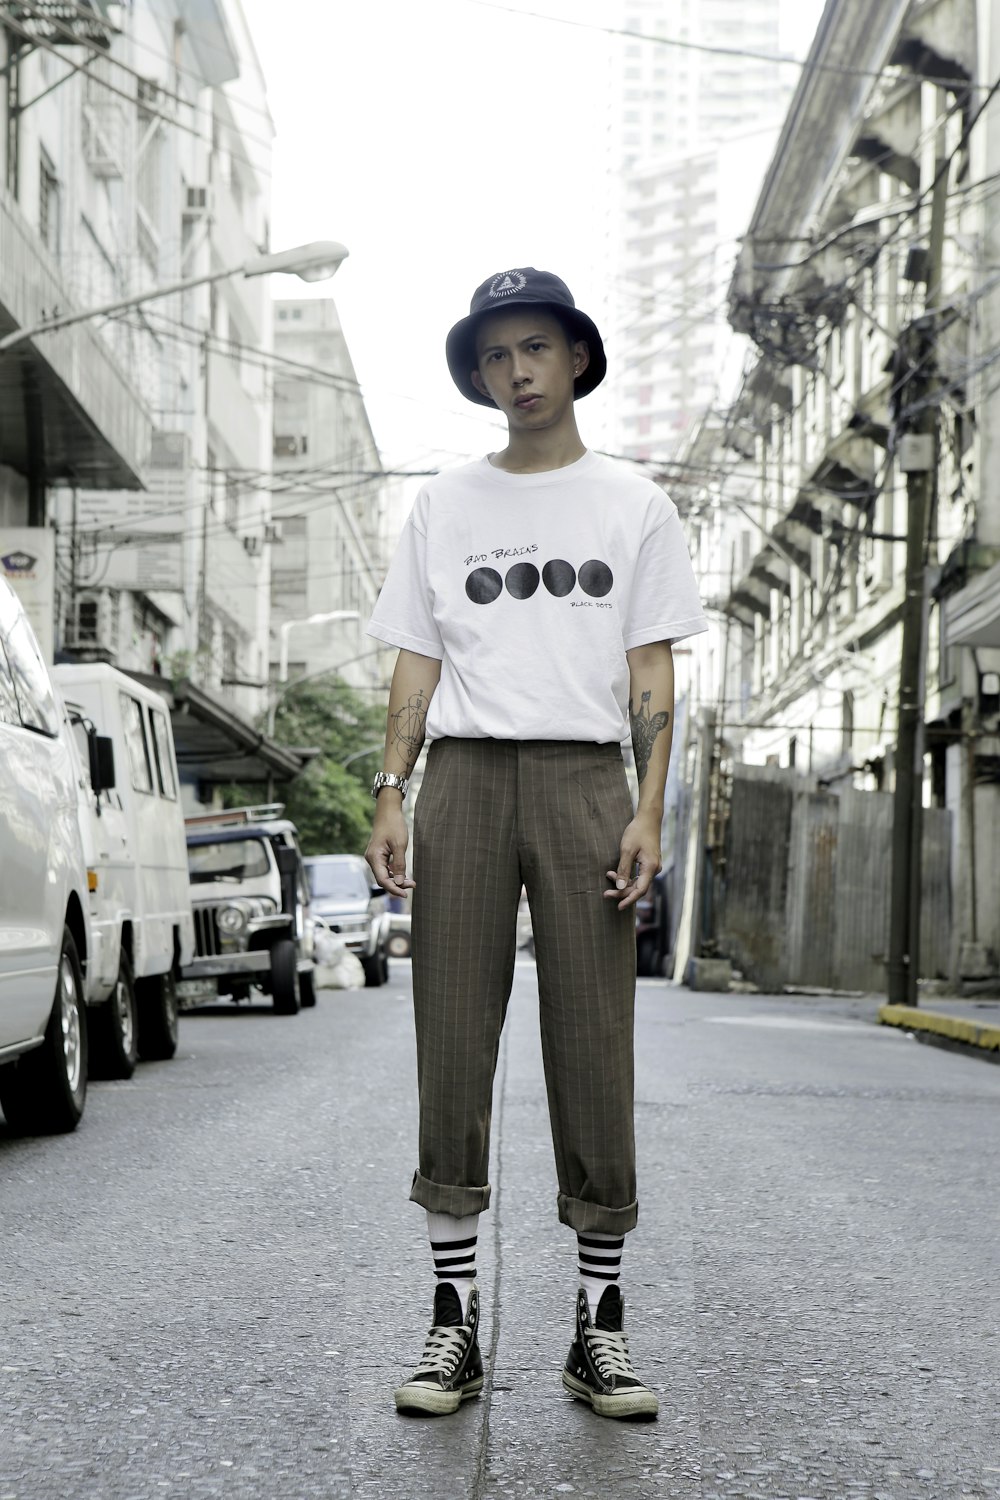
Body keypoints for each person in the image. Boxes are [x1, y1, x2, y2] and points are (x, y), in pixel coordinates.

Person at [364, 267, 707, 1422]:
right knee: (450, 1041)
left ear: (575, 359)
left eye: (534, 348)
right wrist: (390, 786)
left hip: (581, 780)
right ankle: (451, 1324)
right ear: (480, 375)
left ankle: (596, 1329)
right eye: (494, 355)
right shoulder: (445, 504)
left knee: (592, 1045)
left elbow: (652, 670)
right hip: (462, 777)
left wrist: (647, 809)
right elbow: (416, 655)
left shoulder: (633, 504)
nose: (515, 371)